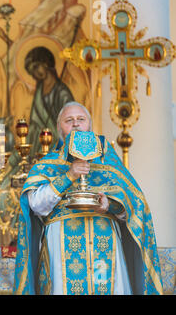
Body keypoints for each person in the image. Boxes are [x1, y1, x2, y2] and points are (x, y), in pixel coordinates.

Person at [14, 102, 163, 295]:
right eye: (69, 120)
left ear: (90, 126)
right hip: (61, 247)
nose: (76, 124)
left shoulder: (109, 164)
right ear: (60, 129)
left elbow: (136, 207)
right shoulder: (48, 164)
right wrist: (69, 175)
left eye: (81, 119)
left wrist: (112, 206)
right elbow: (35, 205)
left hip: (106, 244)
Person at [24, 46, 74, 157]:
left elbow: (70, 122)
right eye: (32, 72)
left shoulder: (61, 93)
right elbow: (34, 124)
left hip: (58, 145)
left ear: (45, 63)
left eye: (36, 67)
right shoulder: (39, 92)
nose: (35, 73)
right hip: (39, 143)